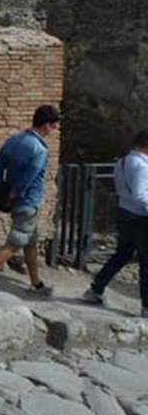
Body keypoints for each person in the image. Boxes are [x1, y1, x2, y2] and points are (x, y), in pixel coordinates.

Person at [0, 104, 61, 296]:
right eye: (54, 125)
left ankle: (36, 284)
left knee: (30, 242)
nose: (55, 129)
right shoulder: (40, 150)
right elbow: (29, 178)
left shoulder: (14, 140)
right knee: (15, 242)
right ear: (45, 125)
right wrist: (12, 195)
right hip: (27, 202)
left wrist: (1, 188)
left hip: (16, 199)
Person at [82, 130, 148, 317]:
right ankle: (146, 307)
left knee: (121, 255)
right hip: (140, 218)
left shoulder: (122, 162)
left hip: (124, 213)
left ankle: (96, 289)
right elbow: (140, 194)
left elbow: (121, 189)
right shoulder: (142, 167)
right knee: (145, 262)